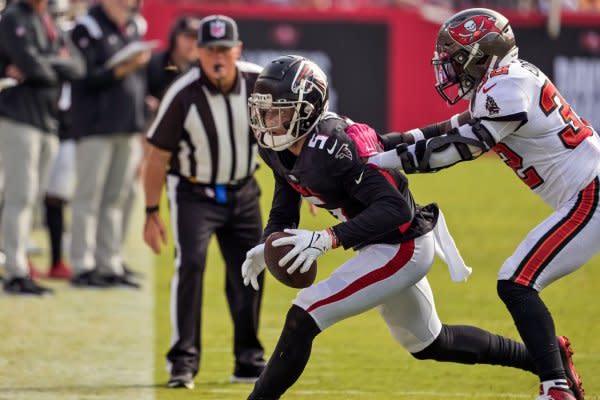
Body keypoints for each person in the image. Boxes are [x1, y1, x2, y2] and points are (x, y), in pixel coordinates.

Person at [240, 54, 571, 400]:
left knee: (304, 314)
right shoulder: (276, 150)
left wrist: (328, 238)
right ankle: (549, 362)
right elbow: (284, 203)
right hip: (378, 243)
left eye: (278, 112)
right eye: (263, 111)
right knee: (431, 342)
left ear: (306, 109)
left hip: (402, 244)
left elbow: (395, 208)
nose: (267, 121)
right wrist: (269, 242)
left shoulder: (334, 147)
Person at [354, 8, 588, 400]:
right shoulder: (505, 80)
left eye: (457, 57)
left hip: (590, 195)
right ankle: (555, 377)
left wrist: (383, 160)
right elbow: (449, 129)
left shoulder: (508, 85)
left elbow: (462, 147)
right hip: (583, 194)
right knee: (517, 281)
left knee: (517, 281)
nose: (449, 68)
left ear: (483, 54)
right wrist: (385, 141)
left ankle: (555, 388)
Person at [143, 14, 265, 389]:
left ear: (237, 50)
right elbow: (157, 157)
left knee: (251, 271)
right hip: (193, 193)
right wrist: (151, 212)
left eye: (224, 49)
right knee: (191, 265)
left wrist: (307, 183)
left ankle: (248, 360)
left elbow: (286, 134)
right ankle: (182, 362)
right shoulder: (182, 93)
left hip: (244, 191)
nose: (218, 57)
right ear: (196, 52)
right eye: (210, 49)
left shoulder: (259, 82)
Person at [0, 0, 84, 294]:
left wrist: (47, 64)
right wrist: (53, 64)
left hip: (47, 122)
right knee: (19, 197)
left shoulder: (47, 19)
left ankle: (18, 264)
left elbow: (78, 66)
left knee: (31, 200)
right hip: (19, 118)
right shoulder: (13, 17)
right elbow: (31, 65)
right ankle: (15, 270)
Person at [68, 0, 149, 288]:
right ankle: (82, 265)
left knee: (118, 197)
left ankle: (110, 262)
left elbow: (138, 82)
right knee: (88, 197)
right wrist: (122, 68)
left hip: (126, 125)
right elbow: (82, 77)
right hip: (95, 125)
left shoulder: (133, 26)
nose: (127, 3)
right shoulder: (85, 28)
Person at [146, 15, 200, 100]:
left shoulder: (201, 69)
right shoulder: (155, 65)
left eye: (198, 38)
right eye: (189, 37)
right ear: (175, 37)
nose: (193, 44)